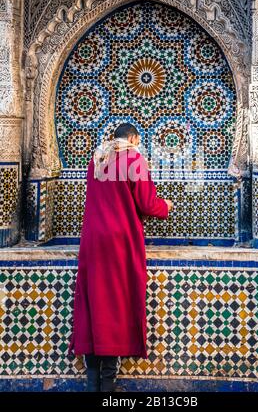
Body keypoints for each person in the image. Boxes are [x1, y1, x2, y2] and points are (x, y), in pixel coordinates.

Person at [68, 122, 173, 392]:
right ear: (134, 138)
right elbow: (147, 204)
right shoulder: (134, 158)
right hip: (119, 242)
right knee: (116, 305)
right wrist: (166, 206)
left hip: (92, 240)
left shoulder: (97, 160)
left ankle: (93, 383)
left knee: (93, 303)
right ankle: (107, 385)